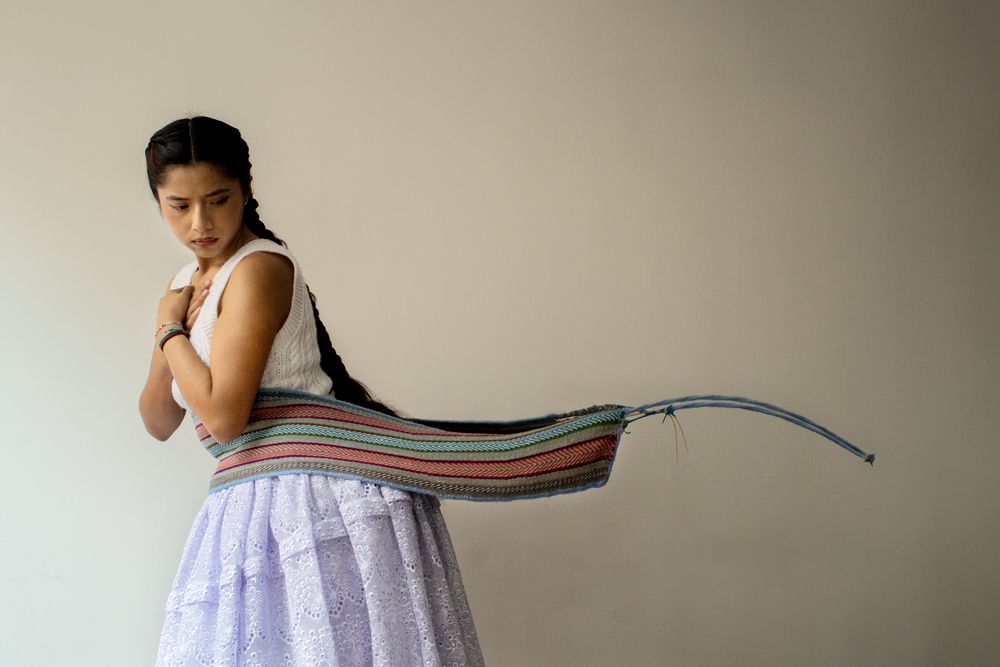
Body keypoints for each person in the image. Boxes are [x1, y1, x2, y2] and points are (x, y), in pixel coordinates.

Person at [139, 116, 484, 666]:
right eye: (179, 205)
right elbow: (158, 420)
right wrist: (170, 324)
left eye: (217, 199)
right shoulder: (183, 286)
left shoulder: (258, 268)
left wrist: (167, 331)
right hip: (247, 498)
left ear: (246, 190)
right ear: (158, 202)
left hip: (306, 496)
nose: (200, 222)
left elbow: (224, 418)